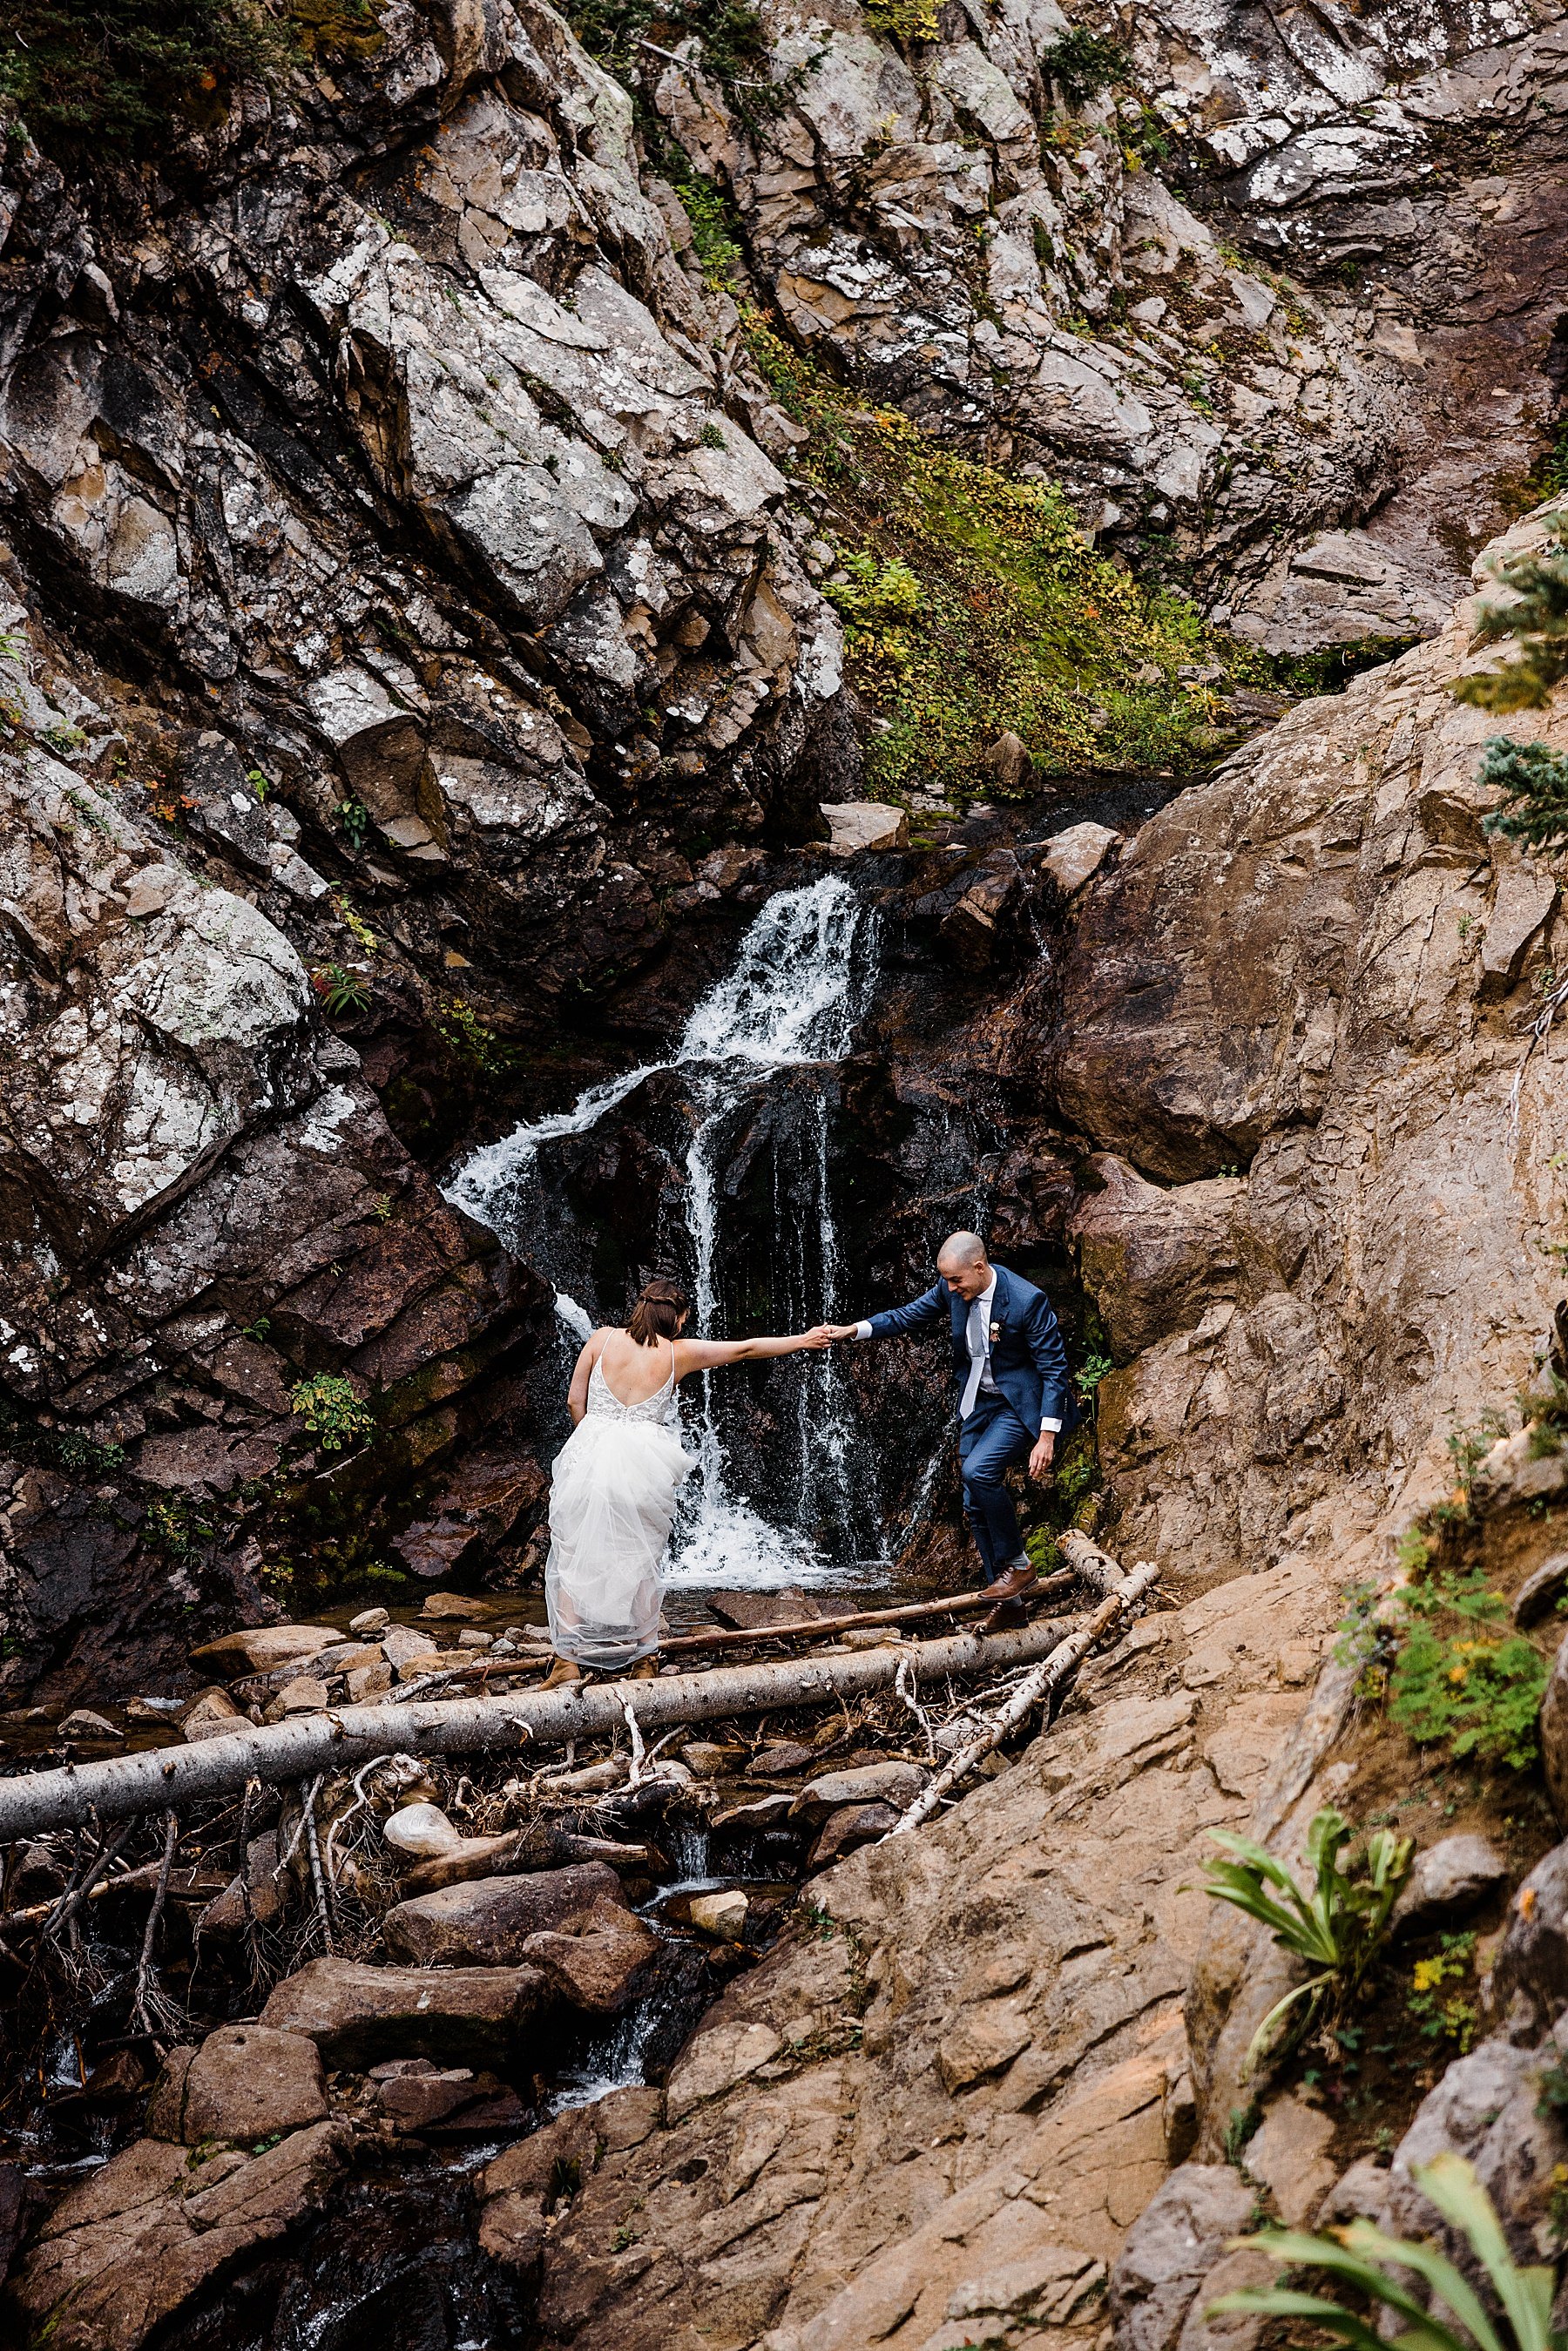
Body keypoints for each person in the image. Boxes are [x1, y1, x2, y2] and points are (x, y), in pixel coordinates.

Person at [541, 1276, 834, 1689]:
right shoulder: (680, 1354)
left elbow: (576, 1400)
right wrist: (803, 1340)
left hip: (588, 1455)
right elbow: (747, 1349)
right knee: (643, 1559)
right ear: (677, 1317)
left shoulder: (601, 1339)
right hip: (645, 1466)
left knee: (573, 1552)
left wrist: (590, 1444)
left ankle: (566, 1658)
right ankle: (644, 1656)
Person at [824, 1232, 1071, 1626]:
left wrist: (1046, 1436)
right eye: (947, 1282)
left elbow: (1055, 1370)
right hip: (979, 1403)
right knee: (974, 1503)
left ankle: (1020, 1566)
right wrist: (853, 1330)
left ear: (979, 1267)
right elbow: (906, 1315)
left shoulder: (1026, 1301)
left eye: (957, 1281)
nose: (951, 1289)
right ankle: (1010, 1609)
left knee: (979, 1472)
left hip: (1019, 1406)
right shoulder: (952, 1288)